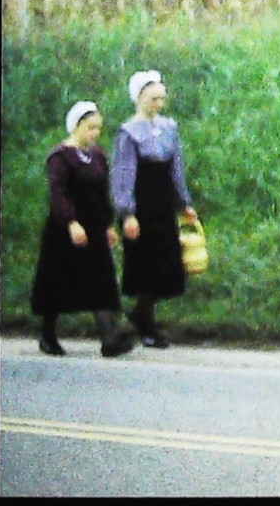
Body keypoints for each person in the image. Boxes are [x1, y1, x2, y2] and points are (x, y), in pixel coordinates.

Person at [30, 101, 136, 357]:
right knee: (57, 279)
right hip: (65, 229)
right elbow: (59, 193)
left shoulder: (98, 156)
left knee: (101, 278)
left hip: (95, 225)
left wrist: (109, 223)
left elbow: (102, 193)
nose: (95, 133)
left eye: (98, 128)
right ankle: (47, 334)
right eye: (90, 128)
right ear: (77, 126)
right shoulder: (60, 157)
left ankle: (109, 338)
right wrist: (71, 222)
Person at [113, 70, 198, 349]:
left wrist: (184, 202)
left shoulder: (169, 127)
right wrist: (127, 213)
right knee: (145, 263)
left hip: (163, 202)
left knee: (168, 262)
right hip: (142, 203)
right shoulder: (129, 132)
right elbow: (124, 174)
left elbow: (176, 168)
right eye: (153, 98)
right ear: (140, 98)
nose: (159, 104)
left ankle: (142, 314)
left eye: (161, 98)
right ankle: (145, 321)